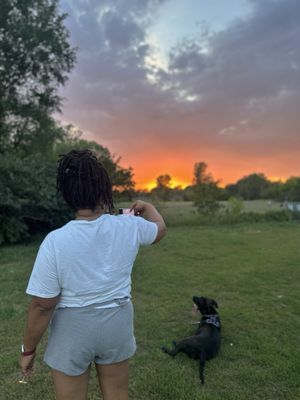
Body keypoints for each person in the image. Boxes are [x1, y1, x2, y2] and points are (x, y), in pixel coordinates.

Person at [19, 149, 166, 400]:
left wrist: (27, 350)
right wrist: (148, 206)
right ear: (104, 190)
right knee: (117, 395)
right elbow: (160, 229)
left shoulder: (55, 241)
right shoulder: (128, 225)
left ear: (66, 194)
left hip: (72, 330)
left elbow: (43, 305)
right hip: (117, 322)